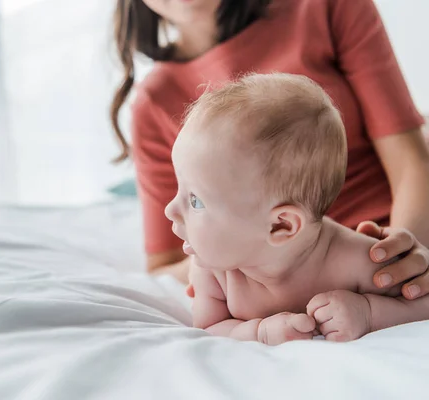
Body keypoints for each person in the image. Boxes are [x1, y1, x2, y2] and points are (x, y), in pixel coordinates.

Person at [111, 0, 429, 299]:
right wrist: (251, 261)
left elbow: (411, 162)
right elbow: (165, 264)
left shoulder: (325, 7)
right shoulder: (153, 102)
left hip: (391, 241)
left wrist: (400, 257)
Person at [167, 73, 429, 344]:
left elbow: (423, 302)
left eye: (196, 200)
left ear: (281, 225)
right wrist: (260, 332)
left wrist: (369, 313)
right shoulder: (212, 270)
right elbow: (210, 327)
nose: (171, 210)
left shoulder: (358, 261)